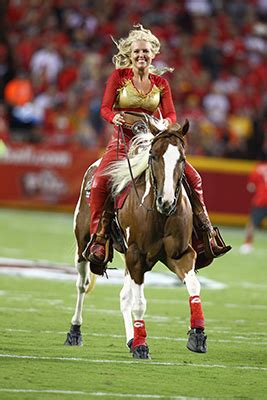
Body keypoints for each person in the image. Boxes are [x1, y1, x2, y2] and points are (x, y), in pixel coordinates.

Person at [83, 24, 230, 267]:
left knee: (193, 178)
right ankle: (99, 239)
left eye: (146, 52)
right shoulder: (118, 77)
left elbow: (171, 114)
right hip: (122, 143)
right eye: (137, 52)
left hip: (152, 143)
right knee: (100, 182)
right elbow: (105, 108)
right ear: (130, 54)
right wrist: (114, 117)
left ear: (153, 55)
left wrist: (164, 124)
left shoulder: (161, 83)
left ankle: (206, 235)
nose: (141, 56)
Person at [240, 160, 267, 254]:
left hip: (261, 200)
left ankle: (247, 244)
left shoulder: (258, 168)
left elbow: (251, 187)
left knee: (252, 224)